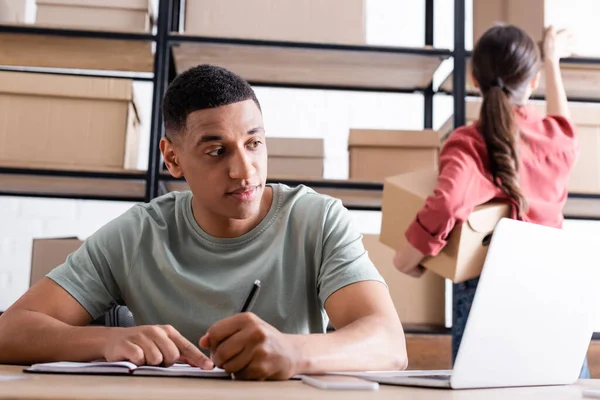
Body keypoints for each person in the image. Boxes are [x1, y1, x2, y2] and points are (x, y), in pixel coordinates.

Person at [0, 64, 407, 380]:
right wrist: (109, 340)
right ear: (172, 158)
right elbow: (10, 331)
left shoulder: (318, 220)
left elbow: (389, 343)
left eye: (254, 143)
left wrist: (294, 352)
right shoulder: (137, 234)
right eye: (217, 151)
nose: (243, 170)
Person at [392, 25, 589, 377]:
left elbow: (450, 201)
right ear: (532, 83)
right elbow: (562, 121)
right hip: (557, 296)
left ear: (472, 78)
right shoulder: (558, 141)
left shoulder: (469, 141)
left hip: (494, 298)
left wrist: (409, 257)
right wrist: (551, 59)